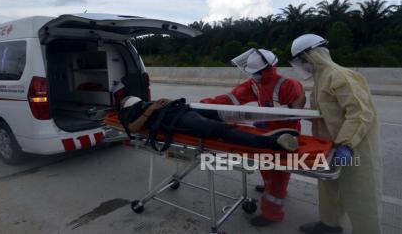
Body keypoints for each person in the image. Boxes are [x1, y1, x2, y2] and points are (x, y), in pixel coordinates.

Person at [200, 48, 306, 226]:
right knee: (264, 163)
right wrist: (205, 105)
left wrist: (275, 119)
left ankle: (272, 214)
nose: (255, 76)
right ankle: (269, 186)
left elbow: (295, 113)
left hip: (284, 133)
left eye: (258, 73)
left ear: (269, 68)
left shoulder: (289, 84)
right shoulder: (255, 84)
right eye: (254, 73)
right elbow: (231, 99)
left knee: (278, 170)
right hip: (264, 131)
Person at [290, 34, 381, 234]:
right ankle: (329, 224)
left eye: (302, 61)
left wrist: (346, 144)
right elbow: (325, 116)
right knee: (328, 186)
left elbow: (360, 113)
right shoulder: (320, 80)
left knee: (361, 195)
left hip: (353, 147)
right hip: (329, 146)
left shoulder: (339, 76)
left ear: (313, 55)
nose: (302, 66)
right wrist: (291, 113)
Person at [118, 96, 300, 152]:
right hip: (176, 119)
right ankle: (273, 142)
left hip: (180, 110)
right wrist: (150, 110)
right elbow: (133, 128)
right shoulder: (126, 111)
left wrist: (163, 103)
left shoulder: (141, 102)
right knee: (216, 129)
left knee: (221, 114)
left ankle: (268, 130)